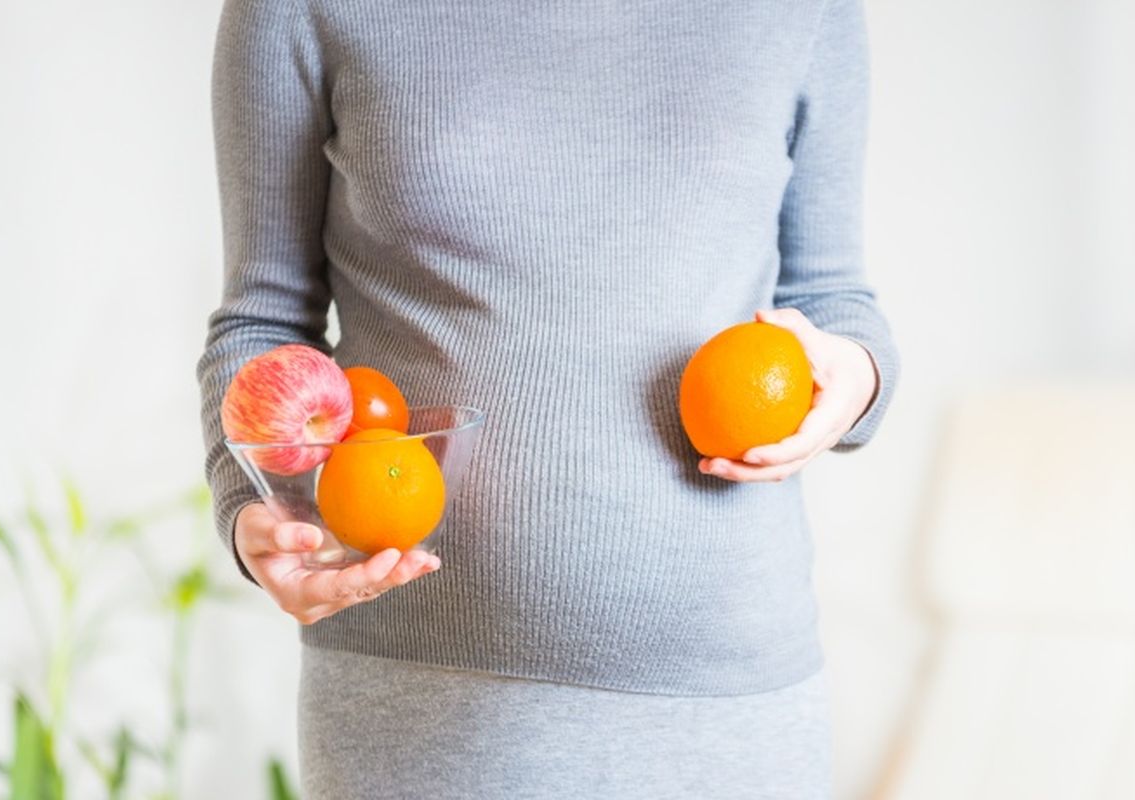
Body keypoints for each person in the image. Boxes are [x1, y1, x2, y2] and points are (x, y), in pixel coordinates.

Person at [195, 0, 899, 797]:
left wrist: (856, 377)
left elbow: (836, 299)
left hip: (725, 701)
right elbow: (262, 317)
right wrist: (250, 506)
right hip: (415, 696)